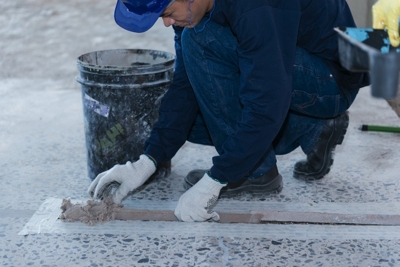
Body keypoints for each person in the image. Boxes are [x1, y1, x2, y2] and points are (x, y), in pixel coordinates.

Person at [88, 0, 370, 222]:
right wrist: (147, 161)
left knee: (201, 41)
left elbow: (266, 102)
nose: (166, 22)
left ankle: (255, 172)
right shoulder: (191, 10)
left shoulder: (256, 6)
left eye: (166, 12)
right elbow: (186, 86)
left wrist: (217, 178)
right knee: (195, 114)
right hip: (295, 57)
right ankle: (314, 129)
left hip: (334, 77)